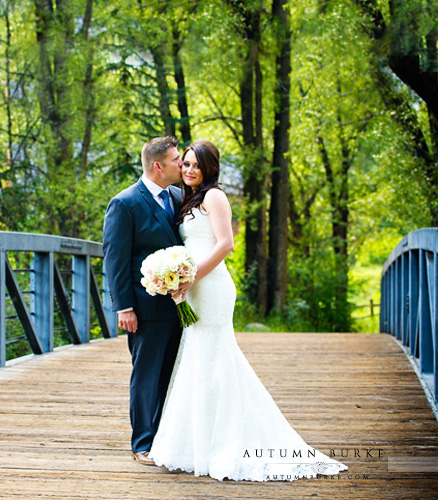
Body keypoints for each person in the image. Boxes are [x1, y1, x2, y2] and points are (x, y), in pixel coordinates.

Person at [148, 140, 348, 481]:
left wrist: (192, 275)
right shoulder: (187, 199)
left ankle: (228, 443)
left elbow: (226, 244)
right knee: (198, 358)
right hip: (192, 287)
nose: (189, 169)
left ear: (210, 168)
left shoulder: (214, 196)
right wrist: (177, 276)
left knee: (215, 357)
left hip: (211, 288)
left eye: (197, 165)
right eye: (186, 164)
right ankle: (199, 443)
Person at [102, 136, 184, 466]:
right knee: (146, 375)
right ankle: (143, 443)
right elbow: (114, 259)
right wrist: (124, 307)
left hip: (180, 305)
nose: (182, 164)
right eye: (177, 159)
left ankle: (168, 436)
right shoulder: (124, 203)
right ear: (157, 165)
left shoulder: (180, 197)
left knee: (172, 374)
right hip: (144, 309)